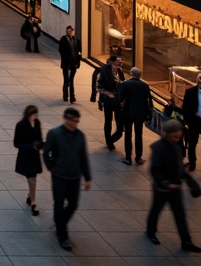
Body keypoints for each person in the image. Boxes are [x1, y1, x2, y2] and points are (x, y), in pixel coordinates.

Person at [147, 118, 201, 251]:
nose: (179, 136)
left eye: (180, 133)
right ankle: (150, 232)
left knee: (180, 214)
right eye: (176, 134)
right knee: (156, 210)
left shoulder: (178, 145)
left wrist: (190, 182)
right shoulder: (158, 147)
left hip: (175, 187)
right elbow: (155, 169)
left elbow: (179, 167)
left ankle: (186, 241)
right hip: (162, 188)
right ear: (168, 133)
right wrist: (166, 183)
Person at [44, 107, 91, 250]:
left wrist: (87, 178)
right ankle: (62, 236)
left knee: (73, 204)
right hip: (59, 176)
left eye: (77, 121)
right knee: (58, 203)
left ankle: (60, 223)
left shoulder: (80, 136)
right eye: (72, 121)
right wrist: (52, 168)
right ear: (66, 120)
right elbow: (46, 153)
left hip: (74, 176)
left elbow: (83, 157)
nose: (75, 124)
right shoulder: (54, 133)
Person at [117, 66, 153, 165]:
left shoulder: (126, 84)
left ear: (131, 73)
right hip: (140, 114)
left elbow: (119, 99)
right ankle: (138, 157)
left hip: (128, 113)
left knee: (128, 135)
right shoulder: (145, 86)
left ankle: (128, 157)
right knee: (139, 135)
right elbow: (148, 101)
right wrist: (148, 114)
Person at [13, 105, 44, 216]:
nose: (36, 116)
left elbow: (40, 138)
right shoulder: (20, 125)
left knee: (32, 178)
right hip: (26, 156)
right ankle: (33, 202)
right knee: (32, 179)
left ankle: (31, 197)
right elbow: (16, 143)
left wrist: (40, 145)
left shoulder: (37, 123)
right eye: (34, 114)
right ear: (28, 115)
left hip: (34, 155)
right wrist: (31, 146)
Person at [97, 54, 125, 149]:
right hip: (108, 100)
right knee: (108, 120)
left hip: (118, 101)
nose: (121, 61)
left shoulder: (120, 71)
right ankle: (109, 142)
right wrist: (108, 93)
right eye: (119, 59)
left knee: (120, 124)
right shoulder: (105, 70)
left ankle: (112, 138)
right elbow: (98, 86)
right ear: (113, 61)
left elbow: (123, 84)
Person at [58, 26, 81, 102]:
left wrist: (78, 61)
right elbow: (61, 50)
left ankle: (72, 96)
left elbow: (79, 51)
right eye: (69, 31)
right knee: (66, 79)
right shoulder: (63, 39)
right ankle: (65, 95)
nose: (70, 33)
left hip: (73, 62)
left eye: (71, 31)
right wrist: (65, 58)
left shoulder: (76, 40)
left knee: (71, 80)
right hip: (66, 63)